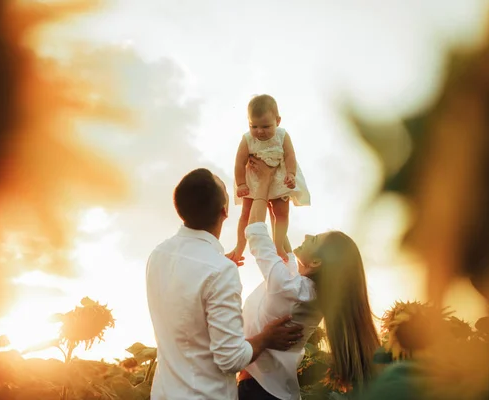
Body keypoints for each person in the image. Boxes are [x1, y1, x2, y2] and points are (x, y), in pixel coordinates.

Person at [146, 168, 303, 400]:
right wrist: (266, 337)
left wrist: (217, 268)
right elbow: (231, 359)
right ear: (224, 211)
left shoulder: (158, 254)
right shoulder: (220, 270)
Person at [237, 156, 380, 399]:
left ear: (316, 263)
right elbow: (282, 247)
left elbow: (256, 234)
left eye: (313, 240)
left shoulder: (291, 287)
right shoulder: (303, 287)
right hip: (271, 391)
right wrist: (276, 200)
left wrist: (262, 185)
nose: (305, 236)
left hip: (259, 392)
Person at [226, 95, 310, 264]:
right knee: (246, 214)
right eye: (253, 126)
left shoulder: (282, 135)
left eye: (266, 126)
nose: (259, 131)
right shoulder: (247, 139)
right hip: (254, 182)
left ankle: (278, 245)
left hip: (279, 178)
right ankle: (239, 247)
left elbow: (290, 156)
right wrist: (241, 183)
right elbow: (239, 163)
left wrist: (291, 174)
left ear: (278, 121)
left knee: (281, 213)